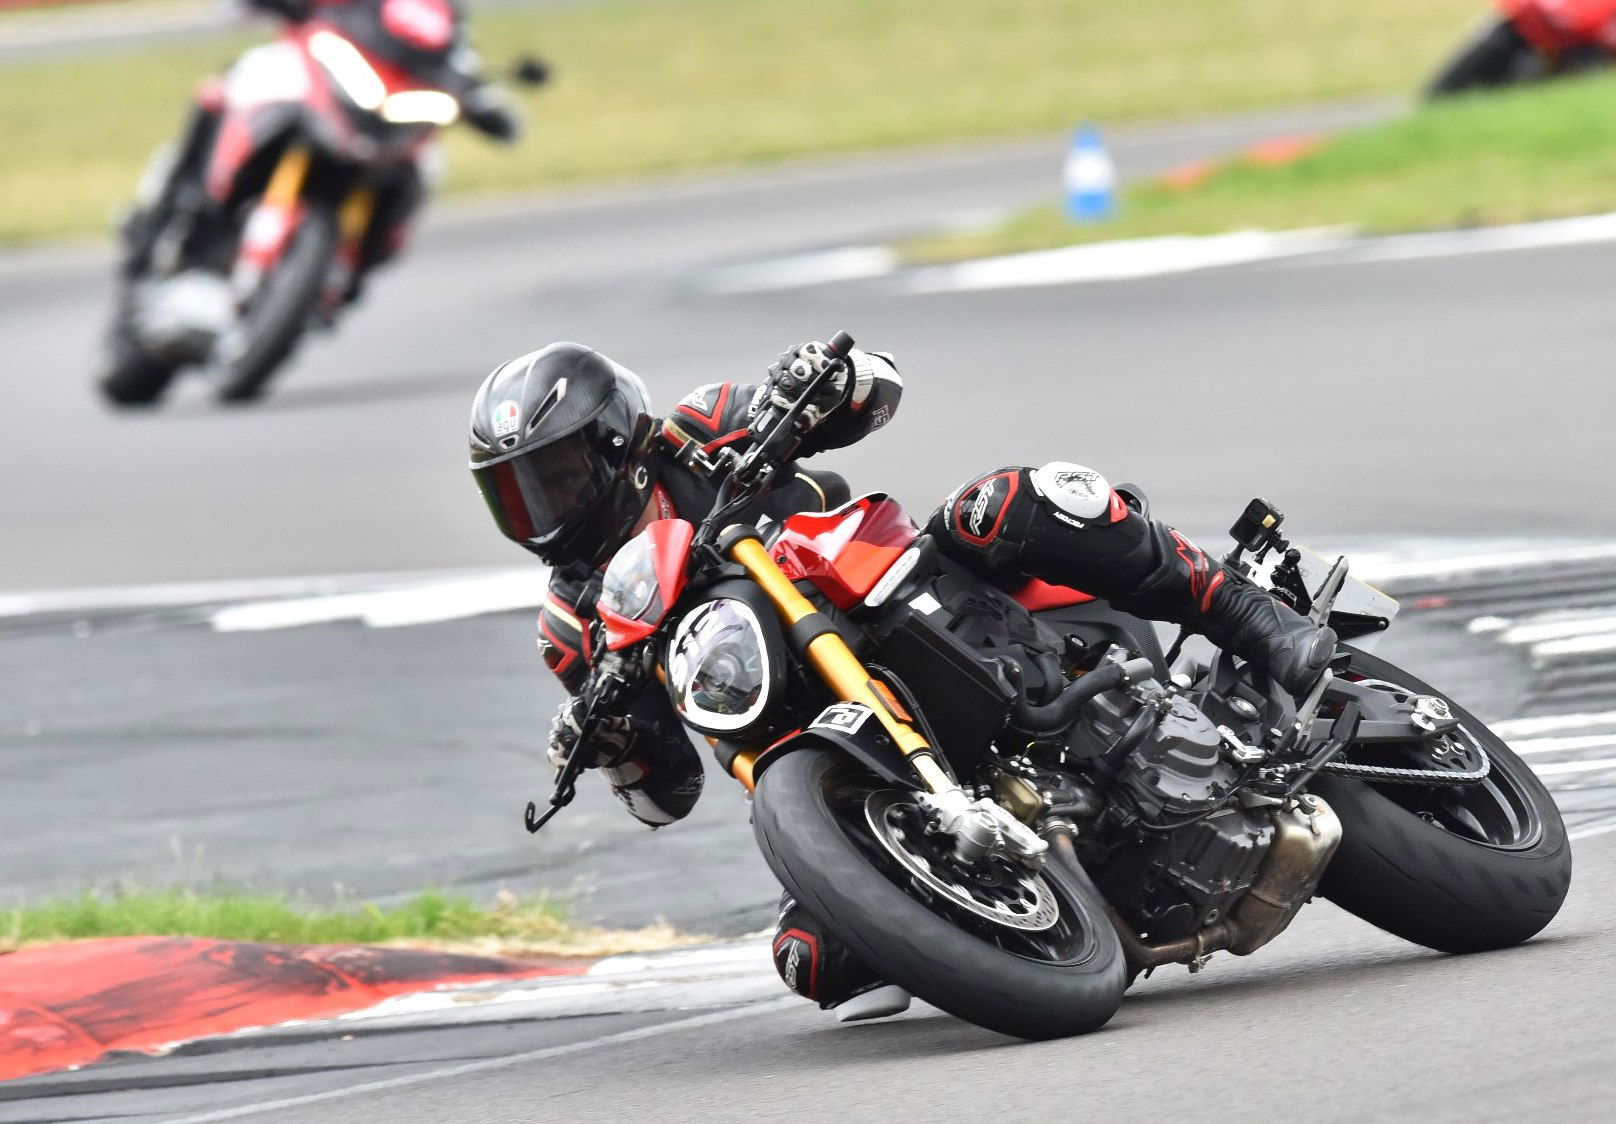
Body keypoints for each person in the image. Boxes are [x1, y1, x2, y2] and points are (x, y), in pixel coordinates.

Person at [467, 339, 1336, 1022]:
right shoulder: (570, 623)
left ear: (613, 441)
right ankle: (1033, 905)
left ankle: (1244, 612)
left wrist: (825, 379)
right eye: (515, 492)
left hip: (906, 594)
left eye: (552, 475)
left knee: (1013, 500)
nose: (539, 507)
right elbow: (671, 793)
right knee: (818, 961)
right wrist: (618, 749)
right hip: (812, 735)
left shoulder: (701, 431)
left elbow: (877, 388)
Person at [124, 0, 520, 286]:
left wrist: (481, 103)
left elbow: (460, 63)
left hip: (385, 115)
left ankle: (352, 270)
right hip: (322, 80)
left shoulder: (443, 14)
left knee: (424, 165)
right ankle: (165, 215)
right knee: (228, 89)